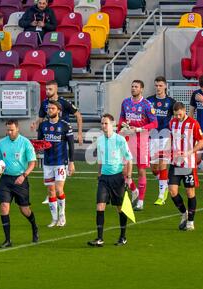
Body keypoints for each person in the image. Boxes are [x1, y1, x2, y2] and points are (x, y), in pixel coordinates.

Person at [31, 80, 83, 205]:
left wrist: (79, 133)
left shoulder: (64, 103)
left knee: (60, 160)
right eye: (46, 89)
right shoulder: (44, 103)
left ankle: (58, 190)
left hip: (62, 136)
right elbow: (41, 117)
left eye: (50, 89)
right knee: (49, 161)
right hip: (50, 134)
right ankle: (51, 193)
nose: (47, 91)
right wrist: (35, 123)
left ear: (56, 89)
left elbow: (78, 115)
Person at [87, 114, 133, 247]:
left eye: (106, 123)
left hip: (117, 178)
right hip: (104, 179)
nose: (103, 126)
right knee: (100, 206)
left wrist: (128, 178)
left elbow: (129, 159)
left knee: (120, 208)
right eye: (102, 123)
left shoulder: (120, 140)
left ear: (112, 124)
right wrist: (99, 174)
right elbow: (100, 159)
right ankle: (99, 238)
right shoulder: (100, 140)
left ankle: (123, 236)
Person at [0, 119, 38, 248]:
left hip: (20, 179)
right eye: (7, 130)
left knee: (24, 210)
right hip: (5, 180)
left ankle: (34, 227)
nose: (9, 132)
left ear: (17, 129)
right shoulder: (1, 143)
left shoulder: (25, 143)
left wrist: (24, 175)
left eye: (12, 130)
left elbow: (32, 163)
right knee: (4, 206)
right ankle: (7, 240)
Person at [118, 80, 158, 211]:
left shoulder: (147, 105)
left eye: (136, 87)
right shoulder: (125, 102)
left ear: (142, 89)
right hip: (128, 139)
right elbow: (122, 118)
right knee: (124, 170)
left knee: (141, 170)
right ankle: (134, 190)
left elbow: (154, 124)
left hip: (142, 139)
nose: (133, 88)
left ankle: (140, 201)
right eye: (132, 86)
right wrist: (121, 129)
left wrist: (140, 129)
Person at [38, 100, 75, 228]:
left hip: (60, 162)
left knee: (59, 190)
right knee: (50, 191)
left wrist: (71, 162)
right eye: (48, 109)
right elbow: (40, 142)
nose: (49, 111)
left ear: (59, 110)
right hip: (48, 162)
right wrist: (41, 147)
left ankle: (62, 216)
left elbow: (71, 144)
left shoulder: (65, 125)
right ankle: (54, 219)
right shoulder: (43, 126)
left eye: (52, 108)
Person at [168, 102, 203, 231]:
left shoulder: (193, 124)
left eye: (179, 114)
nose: (178, 117)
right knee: (172, 191)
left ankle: (190, 221)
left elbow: (201, 142)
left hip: (188, 164)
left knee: (190, 192)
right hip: (175, 163)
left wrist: (189, 152)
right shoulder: (172, 123)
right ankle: (184, 213)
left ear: (184, 110)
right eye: (176, 114)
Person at [146, 76, 176, 205]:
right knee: (154, 168)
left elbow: (177, 118)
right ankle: (164, 182)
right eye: (156, 85)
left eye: (160, 85)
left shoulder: (171, 102)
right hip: (152, 136)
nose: (158, 88)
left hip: (165, 136)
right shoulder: (149, 101)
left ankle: (161, 196)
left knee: (163, 164)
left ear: (165, 86)